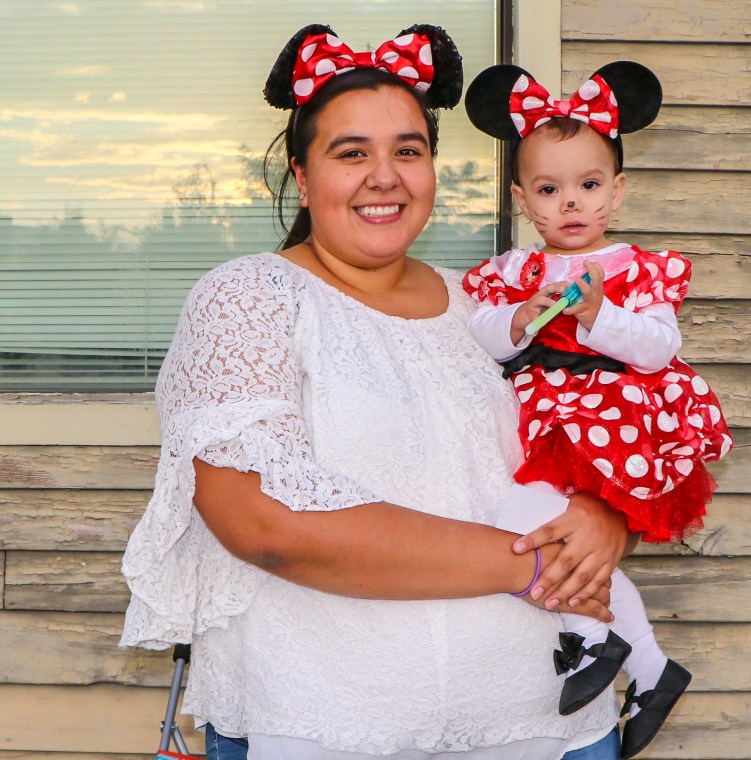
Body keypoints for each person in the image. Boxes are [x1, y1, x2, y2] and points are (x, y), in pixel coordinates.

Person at [120, 24, 636, 760]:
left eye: (408, 150)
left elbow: (608, 431)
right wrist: (528, 563)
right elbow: (263, 522)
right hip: (323, 727)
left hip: (545, 723)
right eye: (351, 152)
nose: (385, 176)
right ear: (302, 176)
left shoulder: (491, 307)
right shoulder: (251, 298)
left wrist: (606, 518)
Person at [461, 62, 733, 758]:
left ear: (617, 188)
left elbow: (657, 347)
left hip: (607, 424)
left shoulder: (636, 268)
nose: (570, 204)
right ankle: (644, 664)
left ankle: (596, 640)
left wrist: (597, 316)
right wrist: (515, 319)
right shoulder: (511, 272)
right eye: (549, 190)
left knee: (545, 529)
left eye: (588, 185)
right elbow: (477, 337)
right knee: (540, 529)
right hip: (536, 418)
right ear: (522, 198)